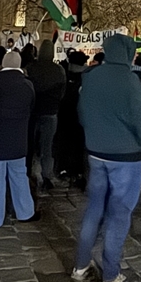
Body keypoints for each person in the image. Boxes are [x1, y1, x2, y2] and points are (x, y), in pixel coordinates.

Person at [72, 34, 141, 282]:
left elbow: (82, 113)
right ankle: (110, 276)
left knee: (94, 209)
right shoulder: (130, 81)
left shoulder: (92, 76)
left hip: (97, 154)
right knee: (118, 215)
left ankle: (80, 264)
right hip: (125, 159)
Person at [0, 50, 39, 227]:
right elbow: (32, 107)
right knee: (19, 175)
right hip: (18, 137)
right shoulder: (27, 85)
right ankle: (25, 212)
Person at [27, 39, 66, 190]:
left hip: (34, 112)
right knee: (46, 147)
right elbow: (61, 92)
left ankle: (27, 173)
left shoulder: (31, 68)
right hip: (50, 112)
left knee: (30, 145)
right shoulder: (59, 71)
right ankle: (46, 177)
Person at [56, 51, 89, 190]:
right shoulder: (86, 78)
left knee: (64, 143)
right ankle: (77, 170)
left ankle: (63, 168)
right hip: (80, 117)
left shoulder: (63, 74)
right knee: (78, 145)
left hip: (63, 115)